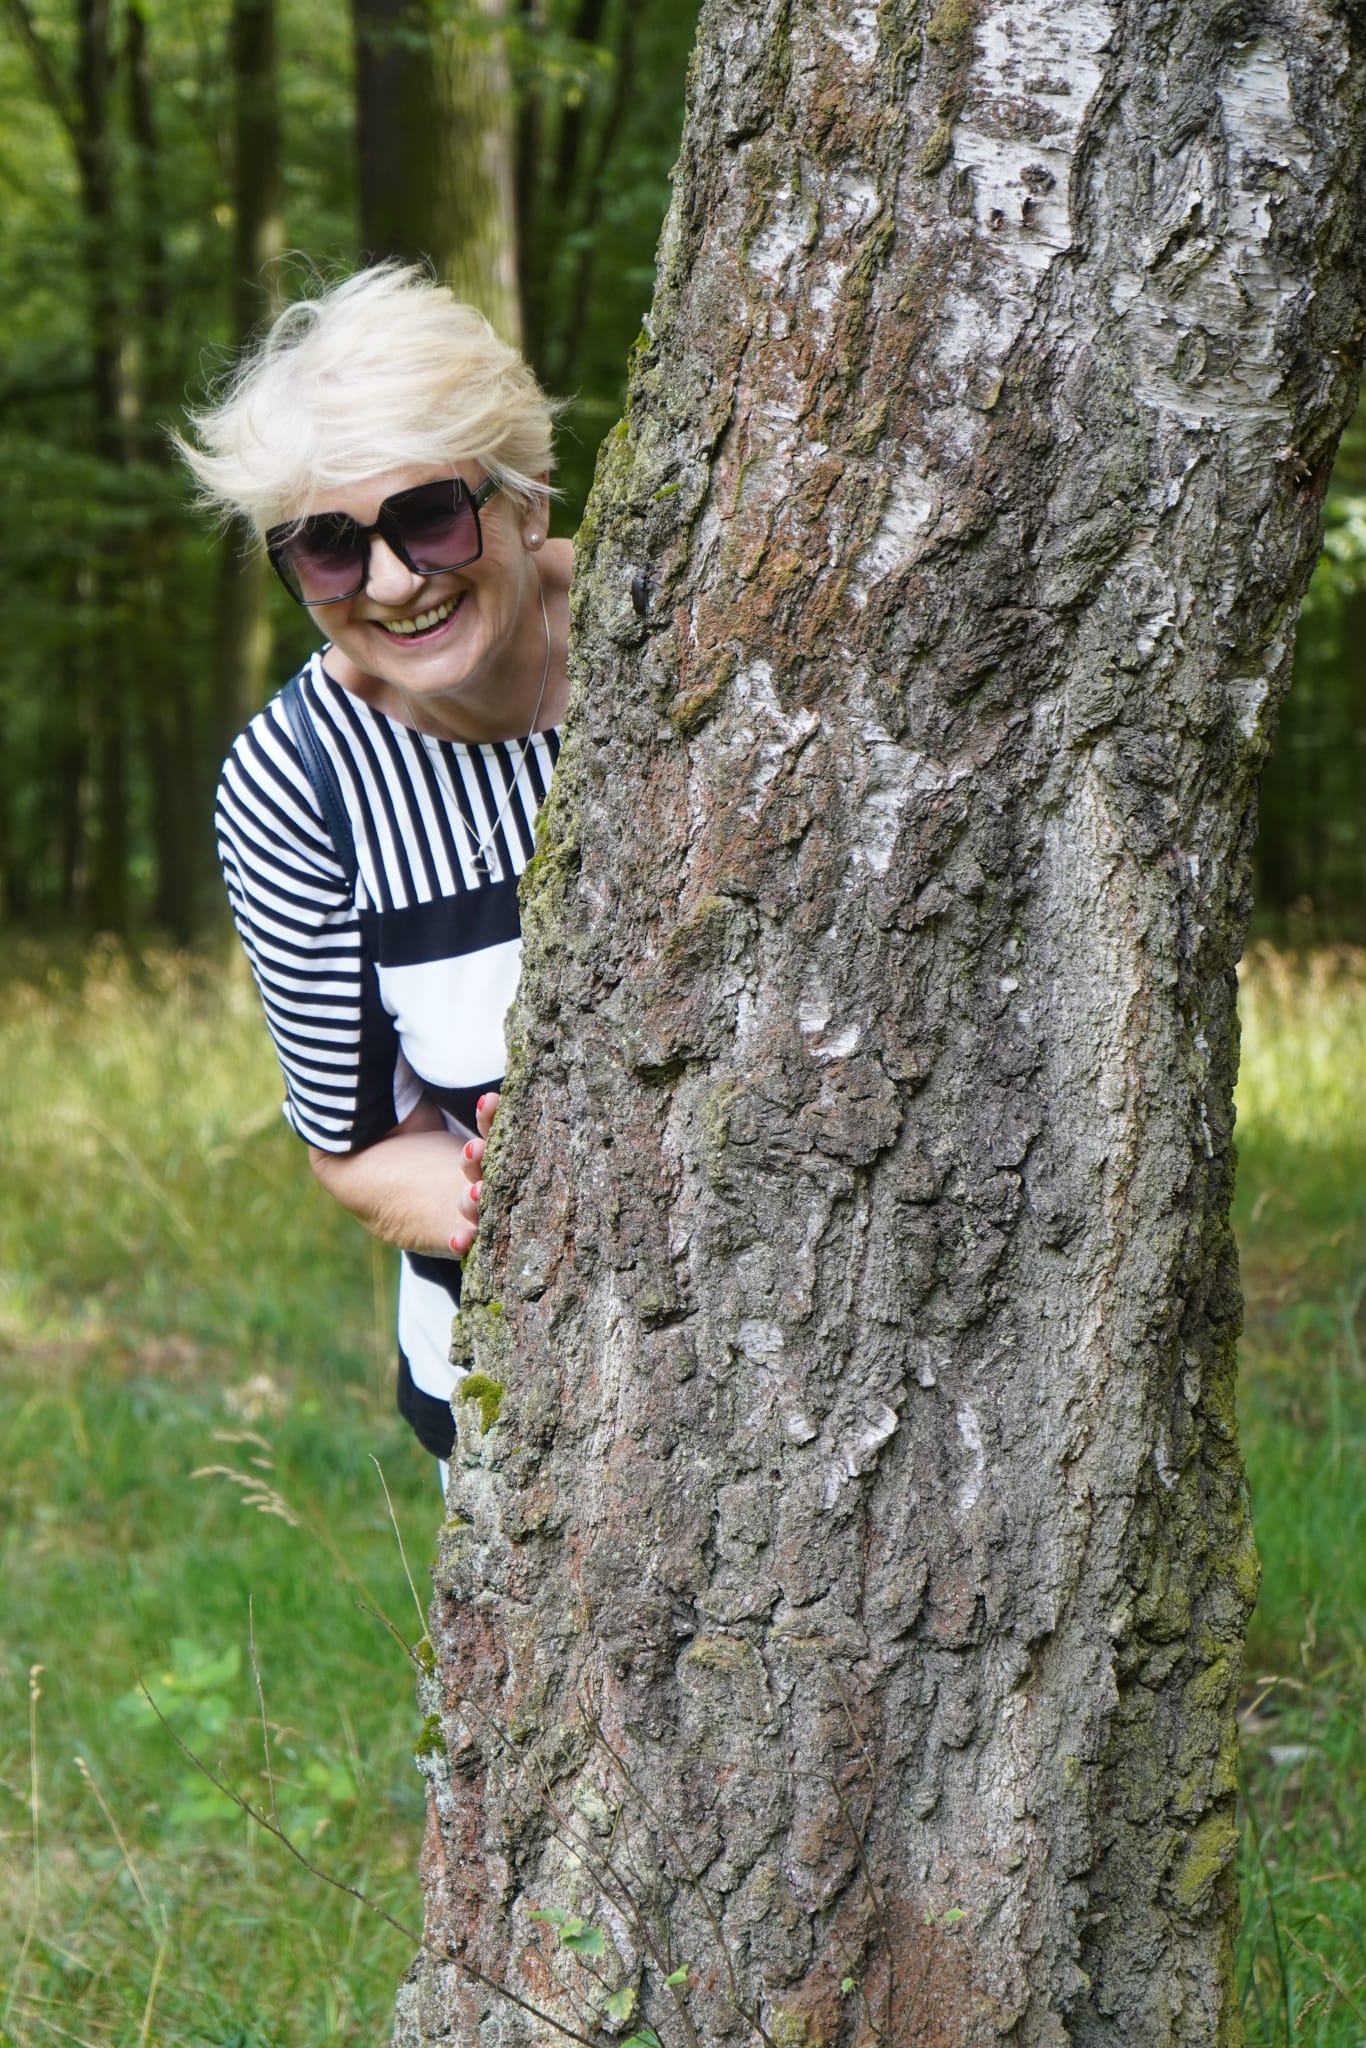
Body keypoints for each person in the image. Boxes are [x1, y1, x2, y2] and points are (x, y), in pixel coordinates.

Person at [176, 265, 571, 1478]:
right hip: (526, 1375)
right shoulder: (292, 782)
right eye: (330, 549)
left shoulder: (683, 640)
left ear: (519, 496)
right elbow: (353, 1144)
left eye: (432, 518)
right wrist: (526, 1197)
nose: (394, 581)